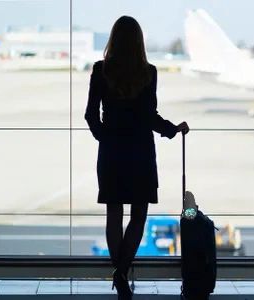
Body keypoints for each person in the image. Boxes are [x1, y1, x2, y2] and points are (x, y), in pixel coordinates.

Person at [84, 15, 189, 300]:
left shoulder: (100, 70)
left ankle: (119, 274)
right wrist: (172, 129)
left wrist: (105, 138)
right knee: (138, 215)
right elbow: (149, 116)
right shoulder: (149, 72)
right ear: (139, 41)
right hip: (141, 152)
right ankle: (121, 273)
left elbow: (91, 115)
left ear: (113, 39)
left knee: (113, 214)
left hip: (112, 152)